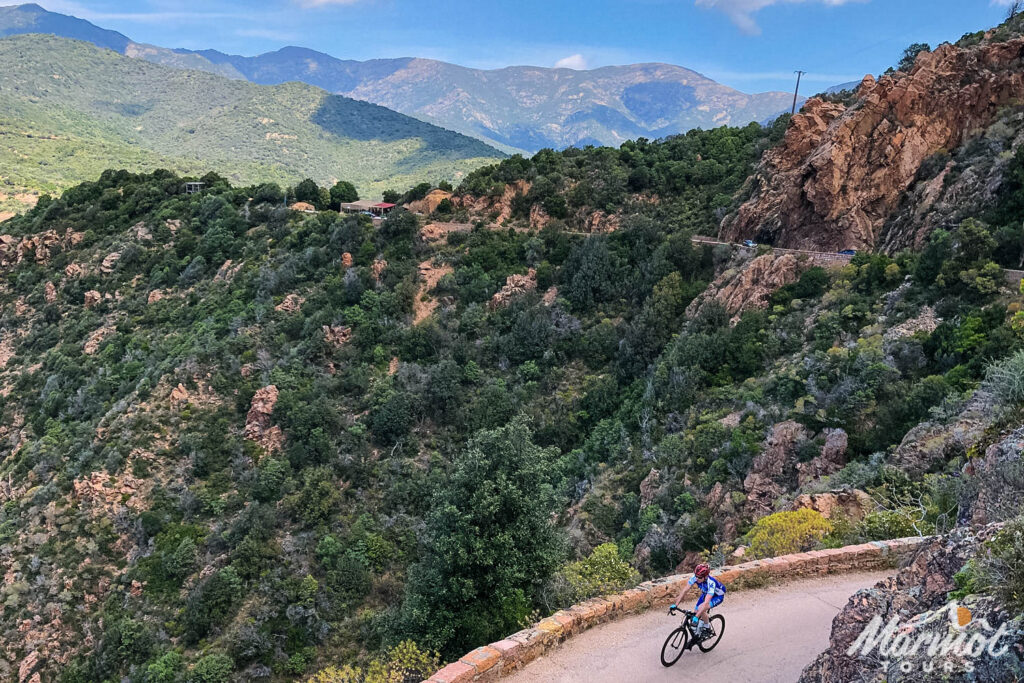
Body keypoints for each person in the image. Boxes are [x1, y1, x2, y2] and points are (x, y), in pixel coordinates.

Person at [668, 563, 725, 639]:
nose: (697, 579)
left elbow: (706, 602)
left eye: (699, 577)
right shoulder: (695, 577)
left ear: (705, 577)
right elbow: (685, 590)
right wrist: (676, 605)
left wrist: (697, 617)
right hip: (706, 593)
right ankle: (697, 635)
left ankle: (707, 628)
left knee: (701, 609)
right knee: (696, 611)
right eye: (696, 576)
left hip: (717, 596)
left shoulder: (711, 583)